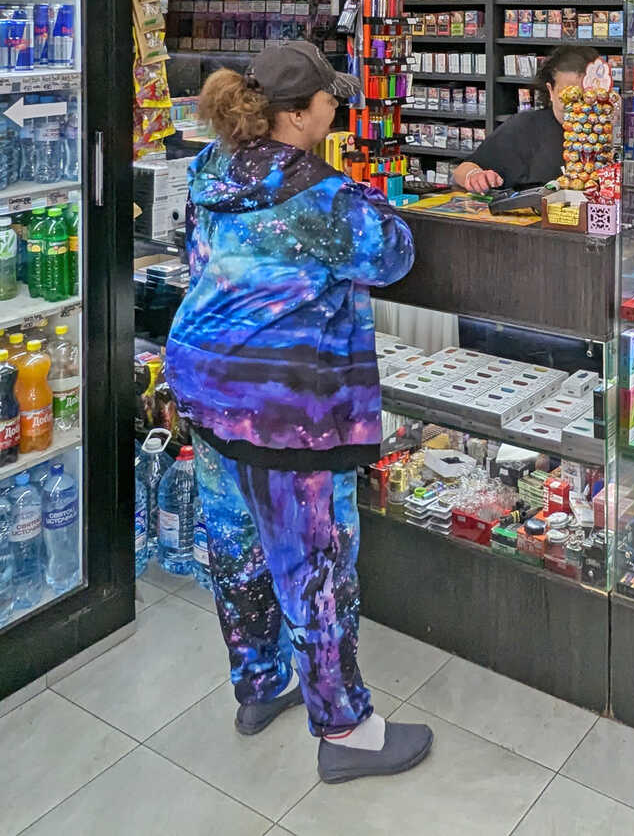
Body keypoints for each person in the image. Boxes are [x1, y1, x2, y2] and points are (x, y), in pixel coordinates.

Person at [164, 40, 431, 782]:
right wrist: (369, 198)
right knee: (315, 565)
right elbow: (394, 254)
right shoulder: (320, 195)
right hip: (284, 405)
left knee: (237, 545)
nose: (334, 110)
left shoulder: (212, 165)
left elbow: (201, 258)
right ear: (297, 114)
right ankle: (346, 730)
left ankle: (260, 685)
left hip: (205, 383)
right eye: (327, 101)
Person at [452, 44, 599, 194]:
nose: (579, 106)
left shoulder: (609, 133)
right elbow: (463, 170)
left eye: (587, 96)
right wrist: (475, 176)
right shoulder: (523, 127)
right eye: (568, 96)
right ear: (551, 91)